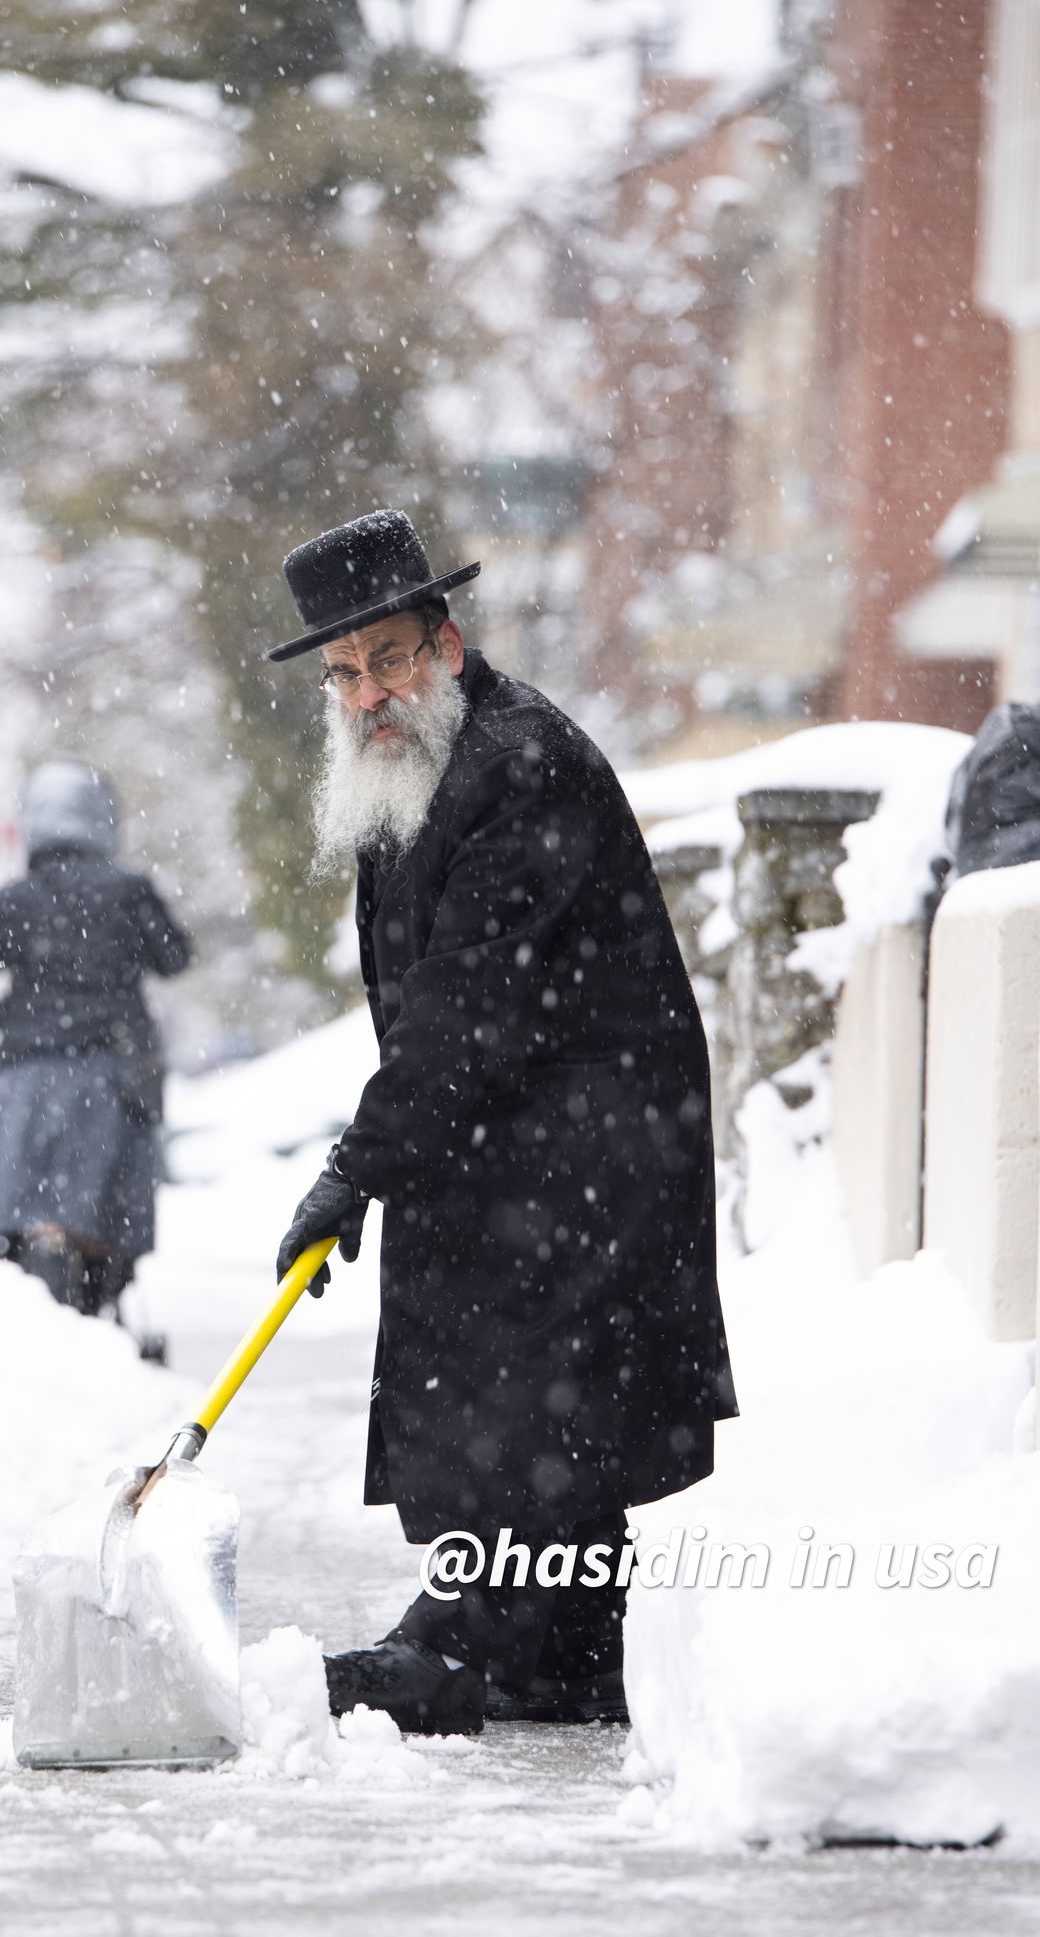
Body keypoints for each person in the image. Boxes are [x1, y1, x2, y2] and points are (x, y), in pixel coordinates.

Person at [269, 509, 737, 1735]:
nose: (367, 693)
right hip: (519, 1134)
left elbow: (464, 1005)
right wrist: (385, 1157)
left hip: (584, 1145)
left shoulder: (517, 765)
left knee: (526, 1387)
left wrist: (354, 1169)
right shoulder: (423, 765)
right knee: (533, 1390)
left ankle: (465, 1639)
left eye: (386, 658)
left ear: (444, 641)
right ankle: (566, 1656)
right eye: (343, 673)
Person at [0, 759, 190, 1320]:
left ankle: (31, 1309)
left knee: (15, 1224)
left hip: (19, 1086)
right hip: (109, 1076)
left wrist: (5, 1015)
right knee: (104, 1220)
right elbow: (174, 957)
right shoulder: (129, 891)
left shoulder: (11, 900)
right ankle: (98, 1302)